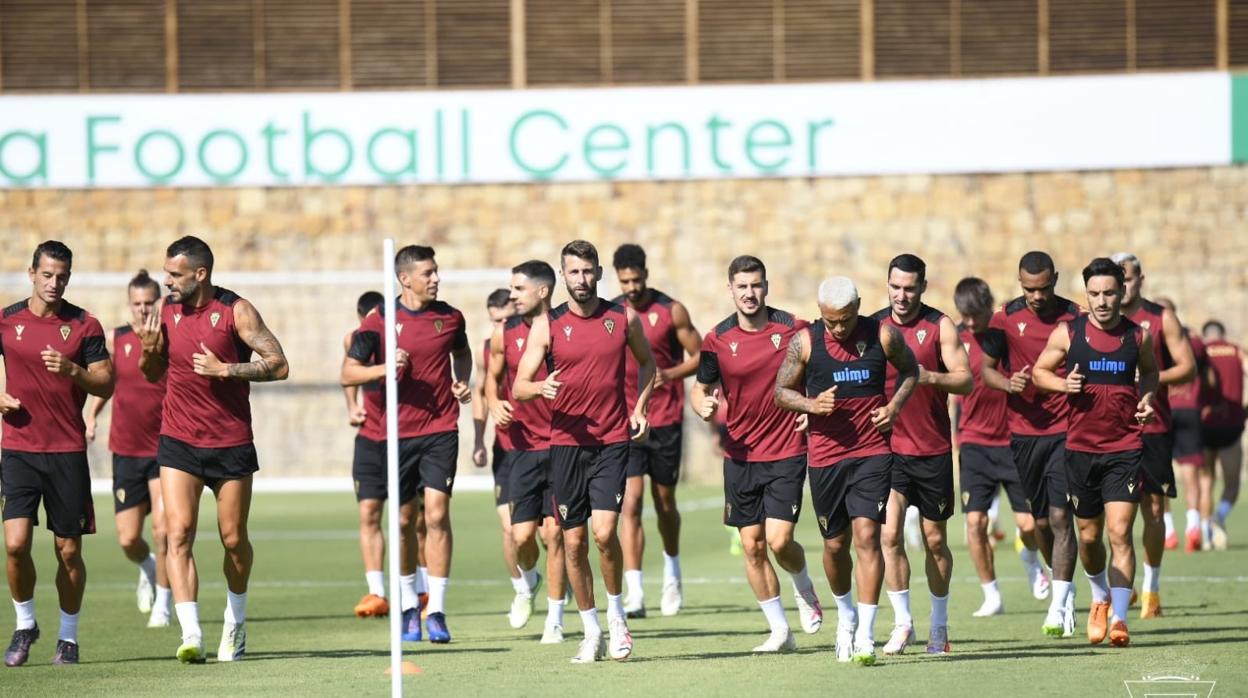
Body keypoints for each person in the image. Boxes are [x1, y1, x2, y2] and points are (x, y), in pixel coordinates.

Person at [133, 235, 289, 664]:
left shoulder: (236, 311)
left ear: (200, 274)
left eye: (175, 275)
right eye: (166, 273)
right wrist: (148, 352)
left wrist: (227, 369)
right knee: (177, 533)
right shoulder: (166, 312)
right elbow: (152, 373)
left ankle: (235, 623)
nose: (167, 282)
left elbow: (279, 364)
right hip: (178, 440)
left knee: (234, 539)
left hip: (231, 442)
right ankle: (191, 634)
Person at [513, 240, 656, 664]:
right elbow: (520, 386)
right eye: (573, 272)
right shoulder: (547, 325)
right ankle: (590, 631)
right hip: (566, 447)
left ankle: (616, 618)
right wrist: (540, 387)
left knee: (604, 533)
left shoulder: (622, 317)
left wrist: (640, 407)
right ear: (563, 275)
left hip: (612, 442)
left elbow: (649, 365)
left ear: (599, 273)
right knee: (572, 543)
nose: (581, 279)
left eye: (588, 271)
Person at [773, 276, 919, 665]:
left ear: (859, 306)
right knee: (835, 546)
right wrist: (810, 405)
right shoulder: (805, 342)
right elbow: (780, 392)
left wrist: (894, 408)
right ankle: (846, 617)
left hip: (872, 453)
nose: (839, 328)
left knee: (868, 536)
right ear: (821, 313)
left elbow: (911, 371)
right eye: (831, 321)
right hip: (825, 458)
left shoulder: (883, 336)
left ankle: (867, 634)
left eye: (846, 319)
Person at [690, 255, 822, 654]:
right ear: (730, 289)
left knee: (780, 541)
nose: (750, 293)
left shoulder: (793, 329)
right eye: (742, 286)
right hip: (741, 454)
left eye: (756, 285)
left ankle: (803, 587)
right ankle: (780, 631)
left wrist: (810, 406)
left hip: (785, 450)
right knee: (751, 546)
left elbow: (820, 371)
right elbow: (700, 388)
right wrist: (702, 407)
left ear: (767, 286)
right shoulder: (716, 339)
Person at [342, 245, 472, 645]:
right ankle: (406, 606)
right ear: (405, 279)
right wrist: (386, 367)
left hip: (440, 429)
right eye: (428, 273)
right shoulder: (379, 321)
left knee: (435, 514)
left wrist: (462, 381)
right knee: (401, 521)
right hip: (393, 435)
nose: (436, 278)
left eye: (437, 271)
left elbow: (462, 354)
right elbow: (349, 372)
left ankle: (437, 610)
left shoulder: (450, 317)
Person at [1032, 257, 1158, 648]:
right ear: (1086, 294)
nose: (1102, 301)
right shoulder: (1069, 333)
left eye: (1109, 293)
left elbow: (1150, 371)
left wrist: (1148, 397)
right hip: (1080, 450)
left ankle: (1120, 619)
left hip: (1124, 448)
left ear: (1122, 292)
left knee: (1121, 531)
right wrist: (1061, 385)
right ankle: (1100, 595)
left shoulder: (1138, 336)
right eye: (1094, 294)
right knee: (1089, 538)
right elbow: (1039, 372)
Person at [2, 241, 113, 667]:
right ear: (31, 273)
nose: (54, 283)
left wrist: (74, 371)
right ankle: (25, 623)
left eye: (62, 276)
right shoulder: (7, 321)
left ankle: (68, 638)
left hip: (67, 452)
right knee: (15, 545)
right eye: (47, 274)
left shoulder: (85, 325)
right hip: (18, 450)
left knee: (68, 550)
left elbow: (106, 384)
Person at [867, 255, 972, 656]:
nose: (901, 295)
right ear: (887, 284)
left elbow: (965, 379)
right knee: (888, 535)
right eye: (895, 287)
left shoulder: (939, 325)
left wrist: (929, 376)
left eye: (910, 288)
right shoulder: (875, 328)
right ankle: (903, 623)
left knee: (934, 541)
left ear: (923, 287)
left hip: (932, 450)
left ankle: (939, 627)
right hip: (888, 451)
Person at [980, 251, 1083, 638]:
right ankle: (1061, 582)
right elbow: (986, 370)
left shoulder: (1076, 317)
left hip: (1066, 430)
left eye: (1043, 288)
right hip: (1023, 434)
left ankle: (1060, 603)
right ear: (1020, 283)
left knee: (1060, 518)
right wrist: (1008, 384)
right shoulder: (1005, 317)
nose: (1037, 296)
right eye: (1029, 289)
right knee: (1039, 523)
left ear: (1055, 279)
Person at [612, 244, 702, 618]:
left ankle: (672, 573)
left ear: (646, 273)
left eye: (636, 279)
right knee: (629, 502)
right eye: (624, 281)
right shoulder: (613, 313)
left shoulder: (671, 310)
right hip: (630, 421)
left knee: (665, 503)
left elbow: (701, 355)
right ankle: (635, 592)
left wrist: (673, 374)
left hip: (666, 420)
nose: (632, 287)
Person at [952, 277, 1049, 617]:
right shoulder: (956, 338)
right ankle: (991, 594)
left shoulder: (1006, 333)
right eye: (964, 316)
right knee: (975, 524)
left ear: (988, 306)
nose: (970, 323)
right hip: (974, 443)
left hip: (1013, 440)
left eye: (975, 315)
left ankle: (1031, 559)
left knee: (1029, 525)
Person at [486, 261, 568, 643]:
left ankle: (555, 618)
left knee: (555, 534)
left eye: (518, 289)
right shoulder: (505, 333)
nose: (512, 296)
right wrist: (493, 402)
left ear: (542, 291)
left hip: (562, 445)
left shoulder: (568, 328)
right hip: (521, 448)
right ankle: (530, 581)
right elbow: (492, 378)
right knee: (521, 538)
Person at [1111, 254, 1196, 619]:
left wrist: (1148, 378)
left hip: (1153, 428)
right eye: (1117, 279)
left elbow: (1188, 368)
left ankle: (1152, 589)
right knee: (1116, 517)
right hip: (1109, 431)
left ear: (1140, 279)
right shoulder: (1098, 322)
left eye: (1127, 278)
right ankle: (1123, 586)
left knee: (1154, 509)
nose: (1122, 285)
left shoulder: (1161, 318)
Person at [85, 270, 171, 628]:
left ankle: (164, 605)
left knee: (165, 531)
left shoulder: (170, 338)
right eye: (137, 303)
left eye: (149, 302)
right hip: (127, 450)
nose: (143, 309)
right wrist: (91, 416)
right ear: (129, 305)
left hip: (167, 450)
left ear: (159, 303)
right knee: (128, 538)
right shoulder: (117, 338)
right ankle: (148, 567)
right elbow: (106, 384)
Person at [343, 291, 402, 620]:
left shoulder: (402, 337)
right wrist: (352, 406)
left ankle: (418, 589)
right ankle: (377, 591)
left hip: (405, 438)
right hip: (369, 439)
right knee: (369, 513)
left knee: (415, 517)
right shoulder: (355, 340)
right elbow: (347, 374)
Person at [473, 289, 526, 623]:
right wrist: (478, 439)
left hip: (542, 446)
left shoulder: (537, 340)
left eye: (506, 319)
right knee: (509, 529)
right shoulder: (487, 349)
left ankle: (555, 588)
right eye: (495, 321)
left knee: (548, 533)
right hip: (505, 449)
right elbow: (481, 392)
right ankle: (522, 588)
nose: (501, 326)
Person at [1156, 298, 1210, 553]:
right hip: (1190, 408)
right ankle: (1193, 525)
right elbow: (1209, 378)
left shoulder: (1149, 338)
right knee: (1190, 471)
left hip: (1163, 409)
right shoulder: (1196, 343)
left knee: (1162, 471)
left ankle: (1168, 531)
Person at [1200, 320, 1247, 550]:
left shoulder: (1200, 351)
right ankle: (1219, 516)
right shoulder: (1237, 351)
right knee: (1232, 485)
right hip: (1232, 423)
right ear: (1223, 334)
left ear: (1205, 335)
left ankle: (1206, 534)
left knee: (1206, 481)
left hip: (1204, 423)